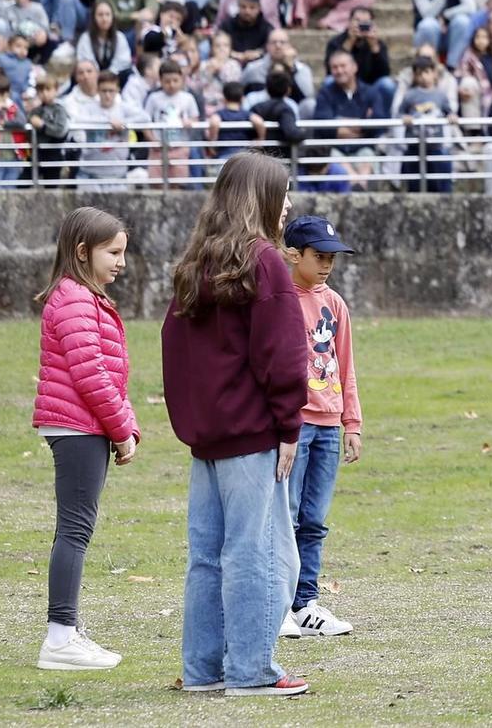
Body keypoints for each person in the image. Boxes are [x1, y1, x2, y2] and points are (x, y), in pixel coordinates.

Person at [159, 151, 309, 697]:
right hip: (250, 436)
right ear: (259, 197)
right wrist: (289, 426)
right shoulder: (263, 261)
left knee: (207, 555)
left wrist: (193, 422)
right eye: (283, 192)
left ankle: (204, 670)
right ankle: (251, 671)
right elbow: (284, 354)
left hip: (208, 439)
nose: (288, 203)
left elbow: (174, 351)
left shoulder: (196, 263)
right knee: (263, 552)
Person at [31, 207, 139, 672]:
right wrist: (122, 430)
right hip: (77, 427)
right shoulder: (74, 298)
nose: (121, 262)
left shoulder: (83, 297)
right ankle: (59, 639)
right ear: (82, 252)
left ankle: (67, 630)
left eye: (122, 252)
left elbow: (108, 374)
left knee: (72, 528)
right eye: (112, 252)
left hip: (83, 425)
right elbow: (91, 375)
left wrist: (125, 423)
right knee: (75, 529)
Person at [276, 215, 362, 640]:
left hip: (328, 427)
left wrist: (352, 423)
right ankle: (279, 604)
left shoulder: (336, 304)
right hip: (295, 425)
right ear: (294, 255)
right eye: (319, 256)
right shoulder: (278, 300)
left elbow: (346, 368)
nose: (327, 264)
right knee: (285, 517)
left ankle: (305, 602)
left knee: (314, 520)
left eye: (332, 258)